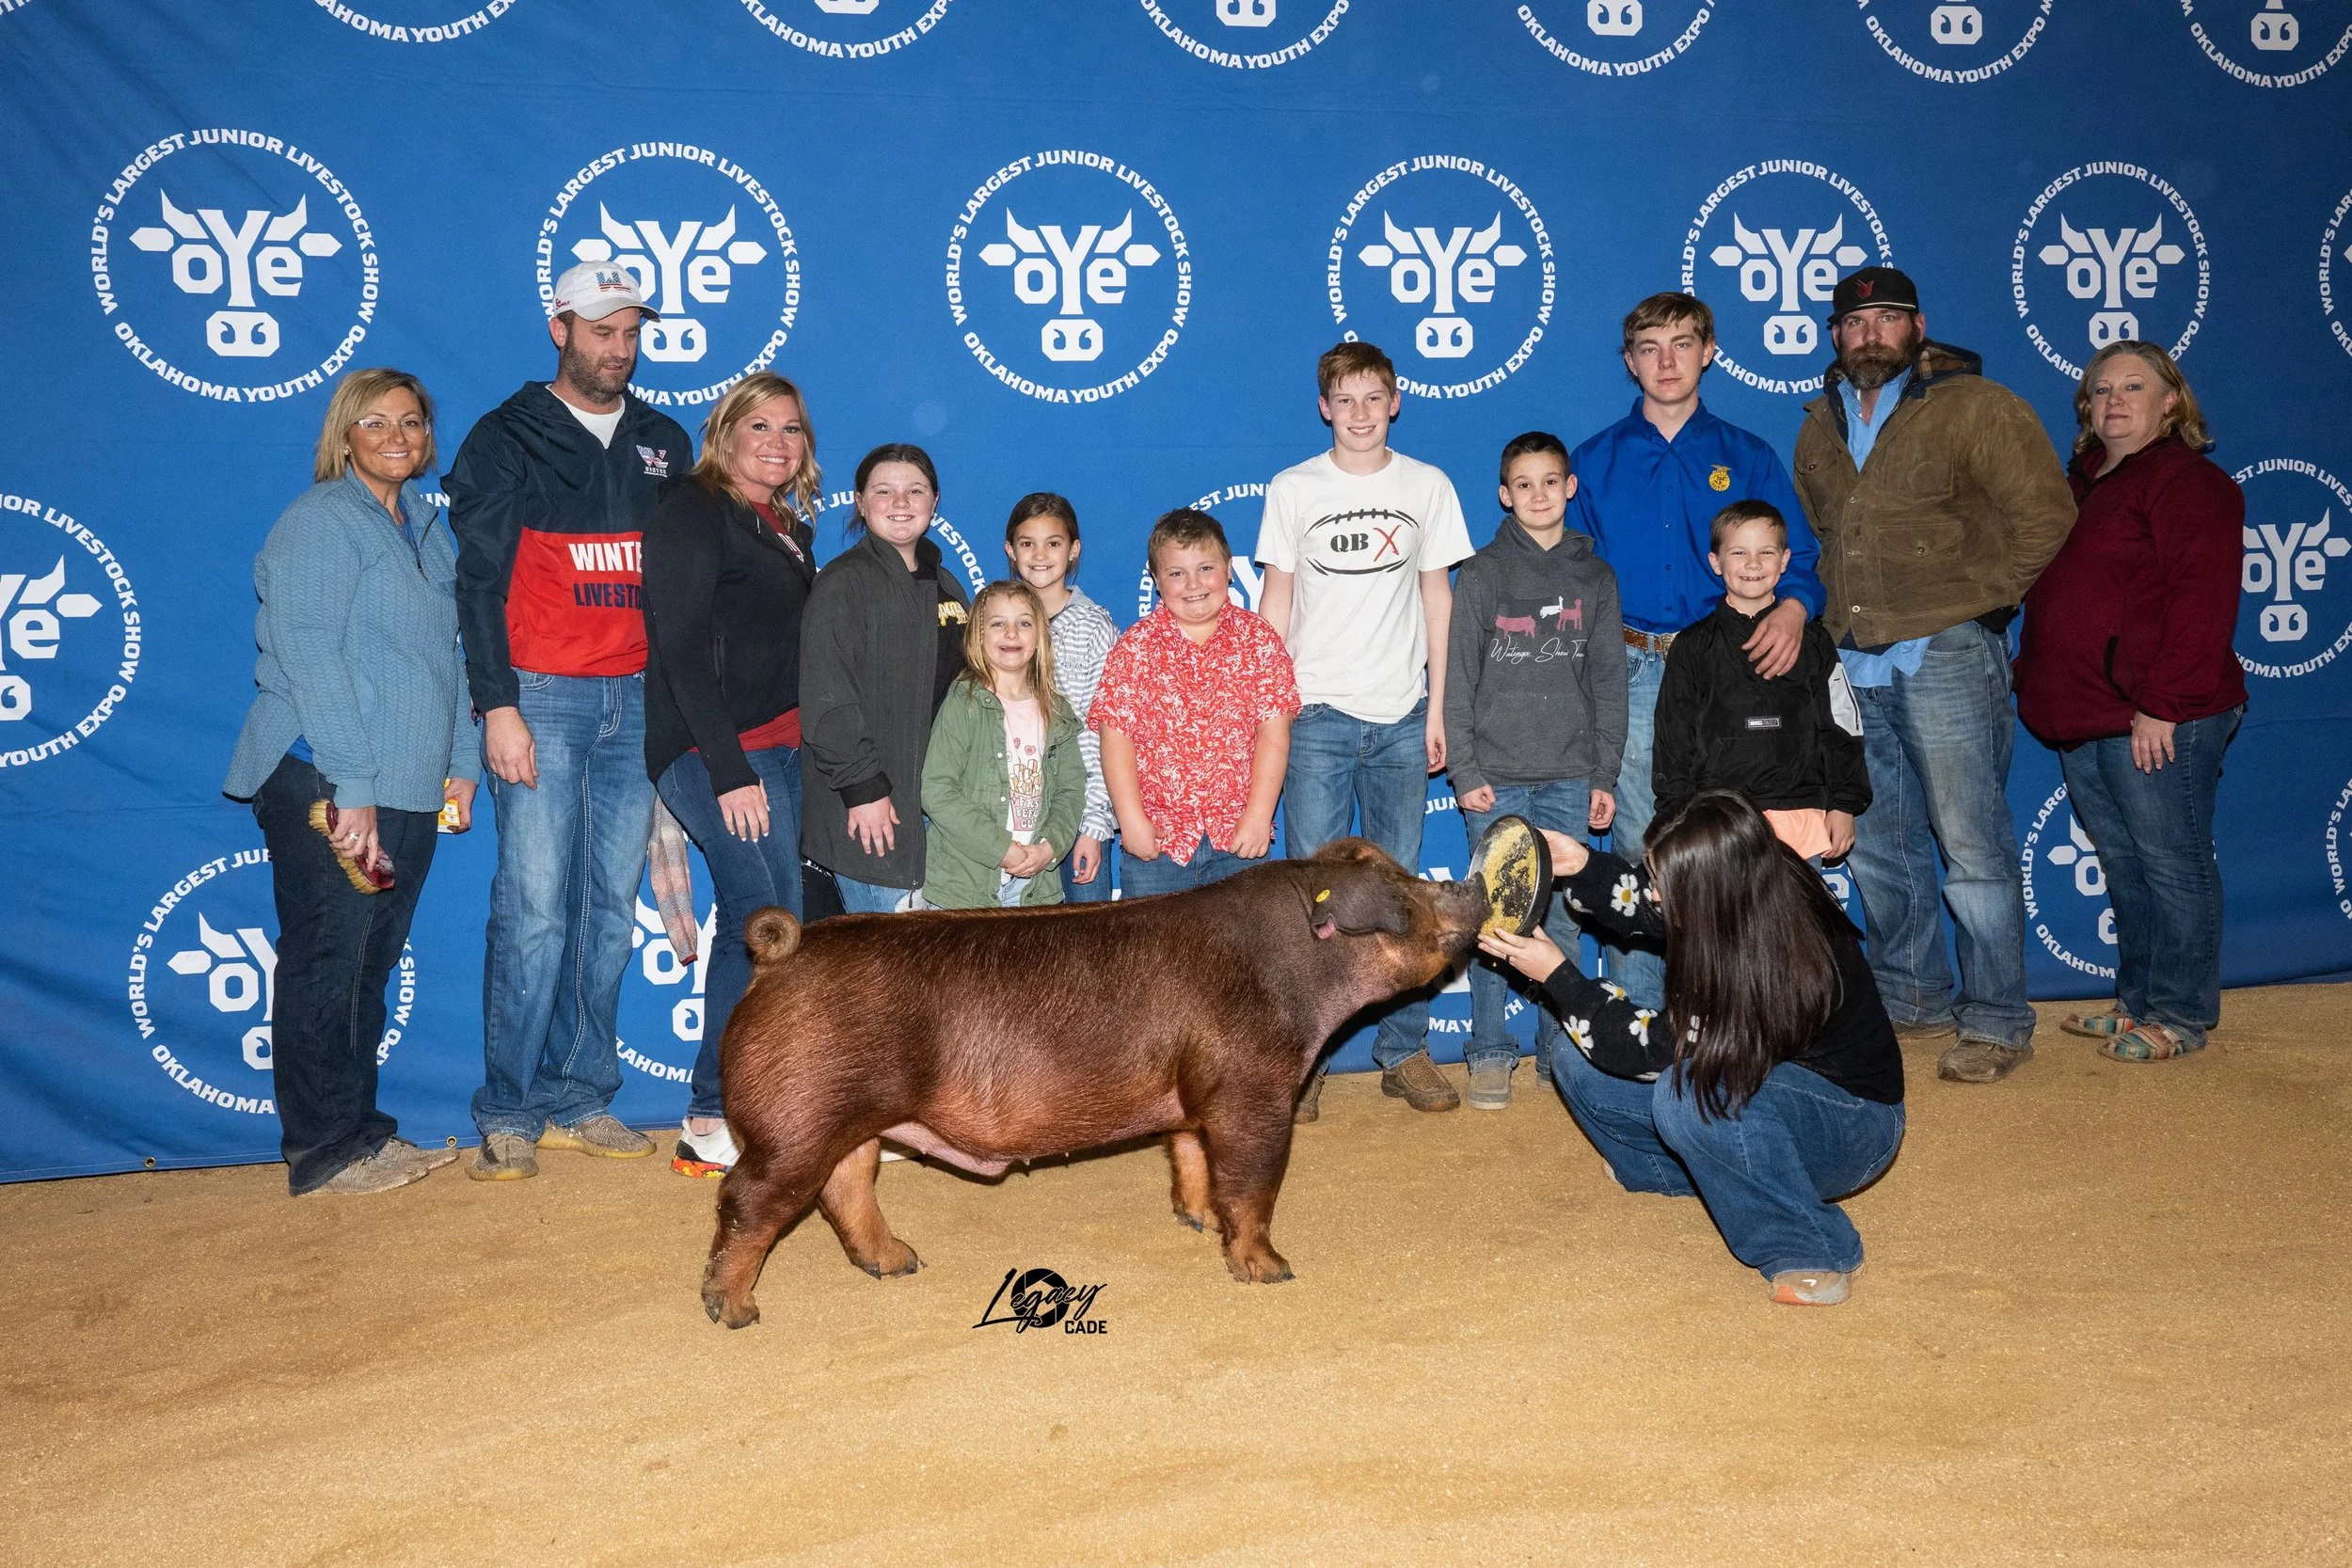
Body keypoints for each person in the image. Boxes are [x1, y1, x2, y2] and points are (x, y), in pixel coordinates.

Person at [1792, 267, 2076, 1085]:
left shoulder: (1979, 407)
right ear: (1836, 337)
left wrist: (1978, 598)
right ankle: (1912, 995)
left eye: (1886, 319)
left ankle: (1995, 1018)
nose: (1869, 334)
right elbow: (1821, 540)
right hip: (1854, 658)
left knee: (1972, 843)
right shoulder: (1819, 424)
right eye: (1854, 323)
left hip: (1947, 651)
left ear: (1918, 326)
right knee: (1880, 845)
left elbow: (2046, 516)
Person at [446, 261, 692, 1180]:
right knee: (534, 911)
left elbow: (682, 581)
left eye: (630, 332)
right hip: (542, 698)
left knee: (605, 915)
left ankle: (579, 1091)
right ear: (560, 328)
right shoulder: (504, 436)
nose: (617, 349)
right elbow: (476, 581)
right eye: (600, 331)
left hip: (634, 703)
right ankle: (507, 1106)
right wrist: (496, 701)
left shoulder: (663, 439)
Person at [1480, 791, 1904, 1307]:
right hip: (1771, 1092)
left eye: (1661, 885)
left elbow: (1652, 1051)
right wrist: (1581, 864)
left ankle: (1813, 1246)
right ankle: (1669, 1174)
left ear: (1706, 894)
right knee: (1578, 1055)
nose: (1652, 893)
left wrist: (1559, 979)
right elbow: (1650, 905)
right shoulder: (1743, 878)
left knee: (1688, 1097)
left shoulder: (1785, 965)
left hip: (1852, 1125)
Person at [224, 368, 479, 1196]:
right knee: (328, 961)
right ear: (344, 436)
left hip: (406, 782)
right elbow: (310, 653)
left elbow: (452, 659)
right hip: (325, 775)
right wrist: (352, 783)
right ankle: (325, 1149)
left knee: (367, 965)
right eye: (375, 422)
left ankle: (360, 1131)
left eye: (410, 421)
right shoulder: (320, 522)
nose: (397, 435)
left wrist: (463, 765)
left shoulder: (429, 530)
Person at [1567, 293, 1824, 1017]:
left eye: (1683, 343)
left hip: (1732, 666)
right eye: (1650, 347)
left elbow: (1801, 556)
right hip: (1634, 664)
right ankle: (1644, 1013)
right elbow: (1569, 576)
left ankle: (1746, 1009)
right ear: (1630, 361)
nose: (1667, 361)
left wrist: (1797, 607)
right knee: (1644, 839)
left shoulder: (1747, 455)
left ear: (1710, 351)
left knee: (1741, 833)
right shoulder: (1594, 461)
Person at [1258, 341, 1474, 1115]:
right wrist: (1270, 704)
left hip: (1400, 717)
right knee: (1312, 898)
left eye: (1372, 398)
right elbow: (1275, 602)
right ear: (1325, 407)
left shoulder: (1428, 486)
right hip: (1313, 712)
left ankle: (1403, 1048)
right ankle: (1300, 1058)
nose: (1359, 413)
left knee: (1404, 894)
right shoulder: (1293, 488)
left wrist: (1439, 704)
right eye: (1343, 400)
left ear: (1395, 402)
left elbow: (1438, 599)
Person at [2013, 342, 2245, 1063]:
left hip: (2156, 713)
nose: (2113, 400)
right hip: (2084, 712)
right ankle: (2138, 1001)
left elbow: (2204, 603)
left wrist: (2165, 705)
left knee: (2172, 865)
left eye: (2133, 386)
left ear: (2171, 400)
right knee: (2126, 863)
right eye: (2100, 389)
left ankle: (2180, 1014)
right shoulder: (2079, 483)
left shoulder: (2189, 482)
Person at [640, 372, 819, 1179]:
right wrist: (726, 769)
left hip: (780, 749)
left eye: (791, 429)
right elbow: (677, 647)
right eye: (760, 426)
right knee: (760, 916)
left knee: (774, 924)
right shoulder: (692, 508)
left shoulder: (788, 527)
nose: (776, 442)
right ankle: (711, 1115)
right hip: (711, 751)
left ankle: (754, 1101)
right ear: (726, 433)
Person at [1444, 430, 1627, 1111]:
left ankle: (1563, 1050)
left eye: (1551, 481)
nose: (1539, 494)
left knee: (1568, 919)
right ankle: (1490, 1049)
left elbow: (1610, 684)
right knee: (1493, 917)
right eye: (1524, 484)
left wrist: (1602, 775)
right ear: (1504, 493)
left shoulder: (1595, 576)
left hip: (1569, 777)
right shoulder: (1485, 572)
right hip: (1495, 774)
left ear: (1570, 487)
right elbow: (1456, 679)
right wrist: (1464, 768)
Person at [1091, 509, 1298, 900]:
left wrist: (1259, 815)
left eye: (1205, 568)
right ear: (1156, 581)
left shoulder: (1259, 642)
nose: (1193, 584)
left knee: (1243, 959)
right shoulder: (1135, 648)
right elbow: (1115, 740)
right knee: (1154, 959)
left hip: (1238, 838)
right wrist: (1131, 822)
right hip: (1159, 842)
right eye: (1176, 573)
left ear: (1229, 570)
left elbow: (1274, 733)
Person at [800, 444, 970, 913]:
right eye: (884, 491)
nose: (900, 502)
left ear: (934, 502)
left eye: (915, 491)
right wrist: (863, 790)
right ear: (859, 501)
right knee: (888, 975)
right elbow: (827, 700)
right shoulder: (842, 584)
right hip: (873, 814)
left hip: (936, 815)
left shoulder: (949, 587)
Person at [1654, 500, 1870, 861]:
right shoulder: (1692, 647)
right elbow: (1673, 741)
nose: (1753, 564)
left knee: (1794, 918)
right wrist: (1679, 815)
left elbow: (1842, 727)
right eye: (1738, 552)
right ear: (1715, 562)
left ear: (1785, 560)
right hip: (1719, 819)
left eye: (1766, 552)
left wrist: (1844, 804)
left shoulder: (1814, 642)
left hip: (1801, 815)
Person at [922, 580, 1088, 909]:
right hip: (963, 888)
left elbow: (1071, 790)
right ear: (978, 636)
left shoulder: (1058, 711)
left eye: (1024, 623)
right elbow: (936, 790)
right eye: (998, 624)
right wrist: (1002, 849)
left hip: (1036, 888)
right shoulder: (964, 701)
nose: (1012, 633)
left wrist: (1049, 848)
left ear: (1040, 636)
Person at [1006, 494, 1120, 902]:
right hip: (1007, 818)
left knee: (1088, 949)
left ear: (1073, 550)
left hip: (1076, 816)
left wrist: (1092, 825)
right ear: (1010, 550)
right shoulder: (995, 622)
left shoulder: (1094, 627)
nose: (1039, 555)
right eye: (1027, 543)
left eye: (1053, 543)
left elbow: (1102, 732)